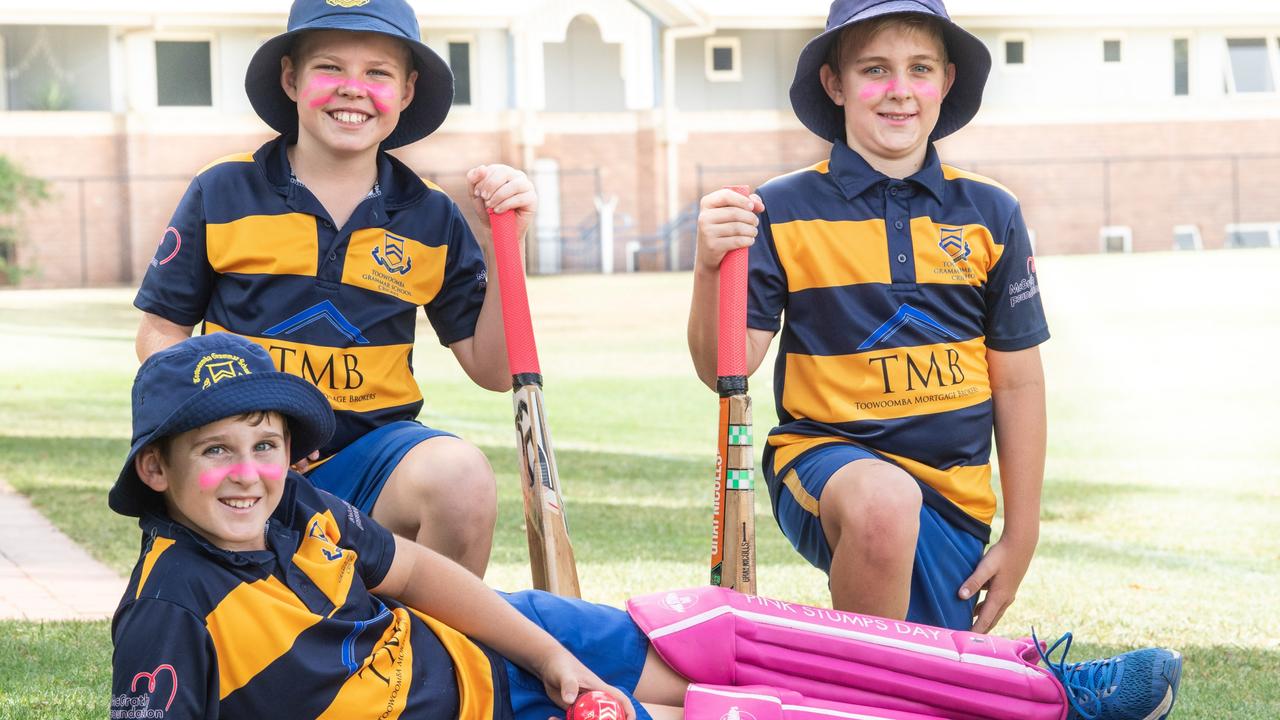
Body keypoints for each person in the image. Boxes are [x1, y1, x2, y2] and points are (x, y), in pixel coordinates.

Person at [109, 334, 1181, 720]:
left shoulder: (303, 509)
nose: (249, 472)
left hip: (494, 655)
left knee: (725, 634)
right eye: (215, 451)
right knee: (737, 711)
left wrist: (555, 659)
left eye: (263, 442)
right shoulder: (167, 611)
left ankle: (1042, 687)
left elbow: (430, 584)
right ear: (157, 469)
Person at [131, 0, 531, 576]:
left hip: (371, 462)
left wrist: (507, 246)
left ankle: (429, 658)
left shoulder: (431, 216)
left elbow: (494, 371)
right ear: (292, 79)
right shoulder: (223, 190)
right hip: (245, 458)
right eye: (329, 68)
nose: (353, 89)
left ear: (408, 91)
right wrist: (222, 428)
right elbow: (161, 332)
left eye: (378, 73)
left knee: (461, 477)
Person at [688, 0, 1047, 633]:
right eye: (874, 69)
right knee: (885, 503)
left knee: (936, 670)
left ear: (947, 81)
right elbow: (726, 369)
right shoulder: (781, 208)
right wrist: (708, 266)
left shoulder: (993, 213)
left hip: (954, 501)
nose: (899, 91)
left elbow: (1017, 383)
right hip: (825, 462)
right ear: (835, 83)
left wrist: (1020, 539)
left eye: (920, 68)